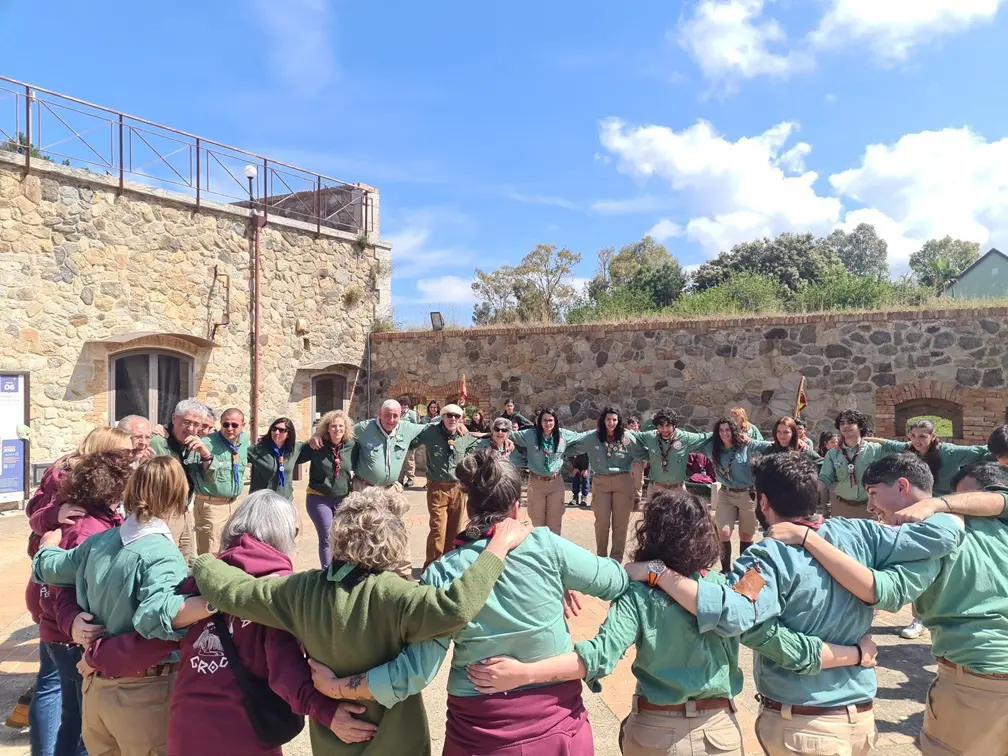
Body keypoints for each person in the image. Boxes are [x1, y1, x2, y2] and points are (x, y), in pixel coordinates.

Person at [466, 489, 876, 756]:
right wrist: (854, 653)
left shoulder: (639, 593)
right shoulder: (728, 589)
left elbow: (595, 659)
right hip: (719, 733)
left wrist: (521, 673)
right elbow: (786, 646)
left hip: (653, 732)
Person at [636, 452, 965, 756]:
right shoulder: (863, 534)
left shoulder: (766, 560)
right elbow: (947, 531)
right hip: (860, 719)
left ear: (763, 502)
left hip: (803, 727)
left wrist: (657, 572)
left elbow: (730, 614)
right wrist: (932, 506)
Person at [307, 448, 627, 756]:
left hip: (482, 735)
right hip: (558, 728)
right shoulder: (547, 546)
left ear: (468, 507)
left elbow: (414, 673)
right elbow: (618, 582)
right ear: (516, 508)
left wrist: (337, 687)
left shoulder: (443, 572)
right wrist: (594, 650)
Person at [190, 486, 532, 755]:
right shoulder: (396, 595)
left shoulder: (300, 591)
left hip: (332, 746)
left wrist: (203, 562)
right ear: (394, 538)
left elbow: (232, 591)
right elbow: (457, 606)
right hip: (401, 745)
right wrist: (496, 548)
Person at [79, 490, 373, 755]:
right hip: (244, 732)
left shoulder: (202, 582)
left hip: (187, 729)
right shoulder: (275, 589)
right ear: (284, 535)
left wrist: (99, 654)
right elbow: (285, 671)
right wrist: (325, 710)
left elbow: (152, 640)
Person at [768, 453, 1008, 756]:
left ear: (903, 486)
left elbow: (883, 591)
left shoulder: (929, 533)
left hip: (978, 681)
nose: (870, 506)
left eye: (873, 494)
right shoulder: (999, 526)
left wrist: (808, 539)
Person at [31, 456, 216, 756]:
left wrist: (46, 547)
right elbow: (156, 616)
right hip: (143, 697)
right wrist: (214, 600)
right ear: (177, 497)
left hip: (96, 693)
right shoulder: (162, 553)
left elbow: (50, 568)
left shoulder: (99, 542)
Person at [23, 427, 133, 756]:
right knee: (70, 703)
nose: (132, 460)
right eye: (125, 455)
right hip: (60, 614)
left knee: (66, 699)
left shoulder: (93, 499)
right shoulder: (76, 496)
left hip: (56, 612)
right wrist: (54, 517)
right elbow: (63, 571)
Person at [410, 404, 480, 567]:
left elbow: (473, 447)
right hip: (437, 487)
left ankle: (448, 566)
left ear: (461, 419)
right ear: (443, 416)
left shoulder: (464, 434)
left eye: (457, 416)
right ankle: (431, 568)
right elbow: (411, 441)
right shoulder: (430, 432)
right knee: (438, 531)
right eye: (449, 415)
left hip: (458, 488)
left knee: (455, 530)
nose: (453, 419)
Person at [701, 416, 772, 573]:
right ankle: (725, 570)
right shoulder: (712, 447)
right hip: (726, 493)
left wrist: (798, 442)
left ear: (733, 431)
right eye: (720, 430)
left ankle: (743, 570)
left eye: (728, 430)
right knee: (723, 532)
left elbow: (770, 446)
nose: (724, 433)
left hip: (748, 493)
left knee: (746, 535)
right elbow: (693, 441)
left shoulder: (745, 445)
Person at [572, 406, 644, 562]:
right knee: (602, 523)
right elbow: (574, 445)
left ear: (619, 421)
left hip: (622, 481)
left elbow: (643, 450)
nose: (611, 423)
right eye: (608, 419)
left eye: (614, 420)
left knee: (620, 524)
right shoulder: (593, 437)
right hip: (601, 482)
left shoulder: (627, 437)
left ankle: (616, 561)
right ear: (603, 420)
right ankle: (601, 559)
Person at [150, 397, 209, 562]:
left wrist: (205, 454)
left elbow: (207, 479)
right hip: (162, 512)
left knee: (188, 559)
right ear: (174, 418)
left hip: (184, 510)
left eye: (196, 424)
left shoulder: (196, 445)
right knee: (165, 558)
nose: (190, 428)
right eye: (186, 422)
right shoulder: (159, 442)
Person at [508, 407, 584, 535]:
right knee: (537, 523)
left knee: (555, 523)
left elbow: (581, 437)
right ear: (539, 422)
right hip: (536, 482)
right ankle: (539, 552)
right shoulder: (530, 435)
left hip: (556, 483)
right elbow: (507, 434)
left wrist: (602, 431)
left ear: (555, 421)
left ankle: (552, 553)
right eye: (545, 420)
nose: (548, 423)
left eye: (550, 420)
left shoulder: (562, 435)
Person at [868, 419, 988, 496]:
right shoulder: (909, 448)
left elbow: (981, 450)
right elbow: (888, 443)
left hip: (946, 499)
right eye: (913, 436)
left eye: (922, 436)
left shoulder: (948, 452)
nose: (917, 440)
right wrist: (862, 440)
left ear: (933, 436)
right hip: (919, 499)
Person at [192, 407, 251, 556]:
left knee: (232, 549)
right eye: (226, 424)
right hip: (212, 506)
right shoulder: (206, 443)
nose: (230, 428)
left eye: (234, 425)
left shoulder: (244, 440)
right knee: (211, 553)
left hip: (234, 504)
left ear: (243, 425)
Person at [300, 411, 355, 568]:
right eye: (333, 426)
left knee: (343, 536)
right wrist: (313, 436)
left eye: (340, 426)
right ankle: (327, 573)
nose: (337, 429)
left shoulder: (352, 445)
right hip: (319, 497)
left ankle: (342, 571)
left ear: (346, 428)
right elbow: (295, 455)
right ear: (327, 428)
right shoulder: (317, 445)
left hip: (343, 498)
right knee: (327, 535)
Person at [818, 409, 890, 520]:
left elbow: (904, 448)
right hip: (842, 508)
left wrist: (871, 439)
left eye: (850, 422)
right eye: (842, 423)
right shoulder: (833, 454)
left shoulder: (876, 450)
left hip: (870, 508)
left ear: (860, 426)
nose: (845, 426)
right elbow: (824, 479)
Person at [629, 409, 711, 498]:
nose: (664, 429)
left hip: (678, 490)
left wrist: (723, 433)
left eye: (668, 426)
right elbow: (632, 436)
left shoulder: (685, 438)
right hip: (655, 489)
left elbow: (705, 437)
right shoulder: (650, 437)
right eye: (661, 426)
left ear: (674, 425)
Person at [248, 417, 306, 502]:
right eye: (274, 429)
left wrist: (316, 436)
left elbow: (315, 446)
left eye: (282, 430)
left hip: (284, 501)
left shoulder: (295, 449)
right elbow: (239, 456)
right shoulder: (258, 449)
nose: (276, 432)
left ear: (289, 434)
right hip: (261, 502)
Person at [397, 397, 419, 488]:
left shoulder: (411, 414)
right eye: (401, 404)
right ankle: (400, 479)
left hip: (409, 439)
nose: (403, 406)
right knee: (399, 459)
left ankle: (410, 479)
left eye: (405, 404)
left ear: (408, 405)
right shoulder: (397, 413)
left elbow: (415, 426)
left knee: (409, 460)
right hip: (398, 438)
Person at [627, 416, 647, 507]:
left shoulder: (642, 436)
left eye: (635, 425)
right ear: (628, 426)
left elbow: (646, 448)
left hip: (638, 462)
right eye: (631, 425)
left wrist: (646, 460)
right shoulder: (625, 436)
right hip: (627, 463)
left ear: (638, 426)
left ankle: (637, 500)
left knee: (638, 482)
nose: (633, 427)